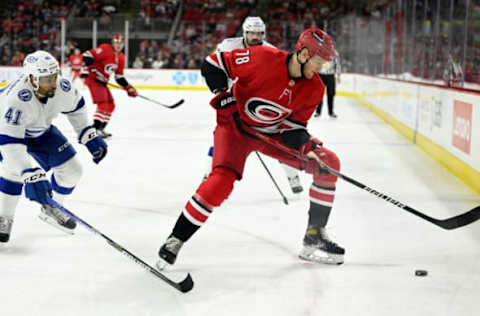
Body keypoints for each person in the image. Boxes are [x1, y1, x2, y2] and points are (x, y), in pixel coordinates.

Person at [157, 28, 345, 269]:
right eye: (319, 62)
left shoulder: (315, 88)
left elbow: (294, 127)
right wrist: (223, 95)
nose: (320, 69)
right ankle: (176, 239)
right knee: (220, 182)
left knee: (328, 163)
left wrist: (305, 145)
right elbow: (212, 65)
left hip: (271, 136)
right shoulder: (262, 57)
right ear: (304, 53)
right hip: (234, 128)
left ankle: (314, 236)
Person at [0, 50, 108, 242]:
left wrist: (87, 134)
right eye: (46, 79)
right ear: (32, 79)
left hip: (40, 130)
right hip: (7, 134)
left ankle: (52, 207)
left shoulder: (62, 87)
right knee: (13, 171)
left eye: (54, 76)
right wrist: (30, 173)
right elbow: (11, 145)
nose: (53, 82)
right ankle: (4, 217)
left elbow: (77, 107)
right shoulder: (15, 100)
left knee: (73, 171)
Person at [203, 16, 304, 194]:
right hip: (233, 101)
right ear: (245, 32)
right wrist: (222, 93)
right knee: (223, 138)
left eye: (259, 33)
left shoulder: (271, 52)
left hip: (259, 104)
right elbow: (214, 68)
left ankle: (292, 175)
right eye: (252, 33)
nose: (256, 37)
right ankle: (208, 174)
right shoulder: (228, 46)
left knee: (277, 142)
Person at [81, 33, 138, 139]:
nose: (118, 45)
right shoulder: (105, 49)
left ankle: (101, 128)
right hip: (94, 79)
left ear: (124, 44)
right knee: (103, 104)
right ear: (113, 42)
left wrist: (128, 87)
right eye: (116, 42)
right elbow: (87, 55)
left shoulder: (121, 57)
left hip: (102, 82)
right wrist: (87, 69)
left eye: (121, 43)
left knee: (111, 105)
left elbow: (119, 76)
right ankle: (95, 129)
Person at [314, 49, 341, 118]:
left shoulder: (334, 53)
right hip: (320, 75)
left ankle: (331, 112)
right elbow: (315, 62)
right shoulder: (319, 51)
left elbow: (337, 64)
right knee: (319, 94)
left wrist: (338, 75)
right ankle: (318, 112)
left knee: (331, 94)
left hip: (330, 75)